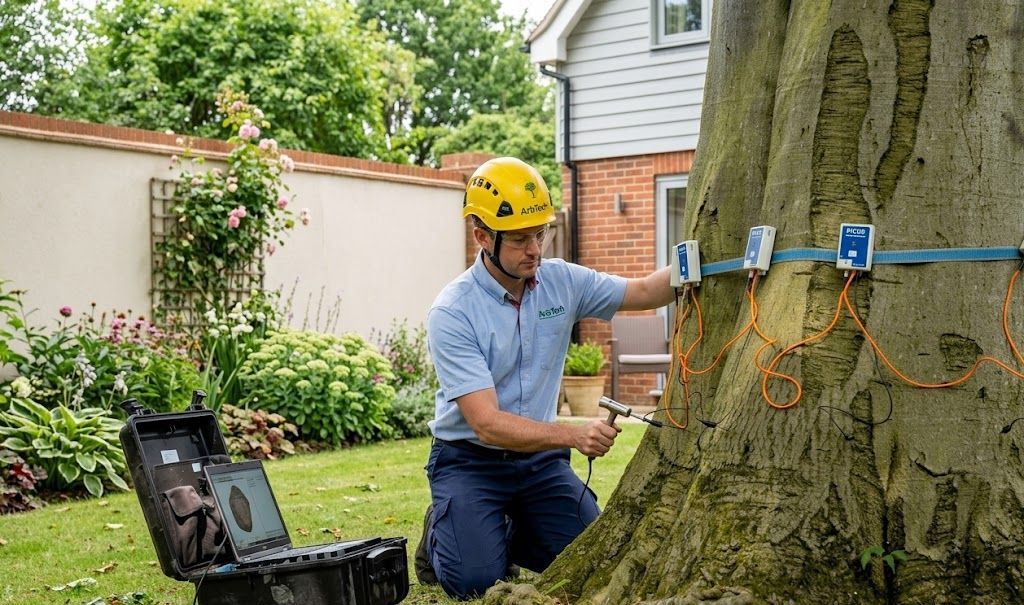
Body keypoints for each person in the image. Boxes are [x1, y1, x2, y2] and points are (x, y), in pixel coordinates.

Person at [417, 156, 675, 599]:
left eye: (541, 233)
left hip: (538, 464)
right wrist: (574, 436)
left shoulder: (562, 282)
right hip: (469, 461)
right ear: (482, 236)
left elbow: (647, 291)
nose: (536, 249)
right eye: (520, 239)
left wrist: (704, 256)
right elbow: (486, 424)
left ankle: (499, 529)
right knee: (476, 581)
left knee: (591, 555)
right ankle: (443, 532)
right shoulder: (453, 312)